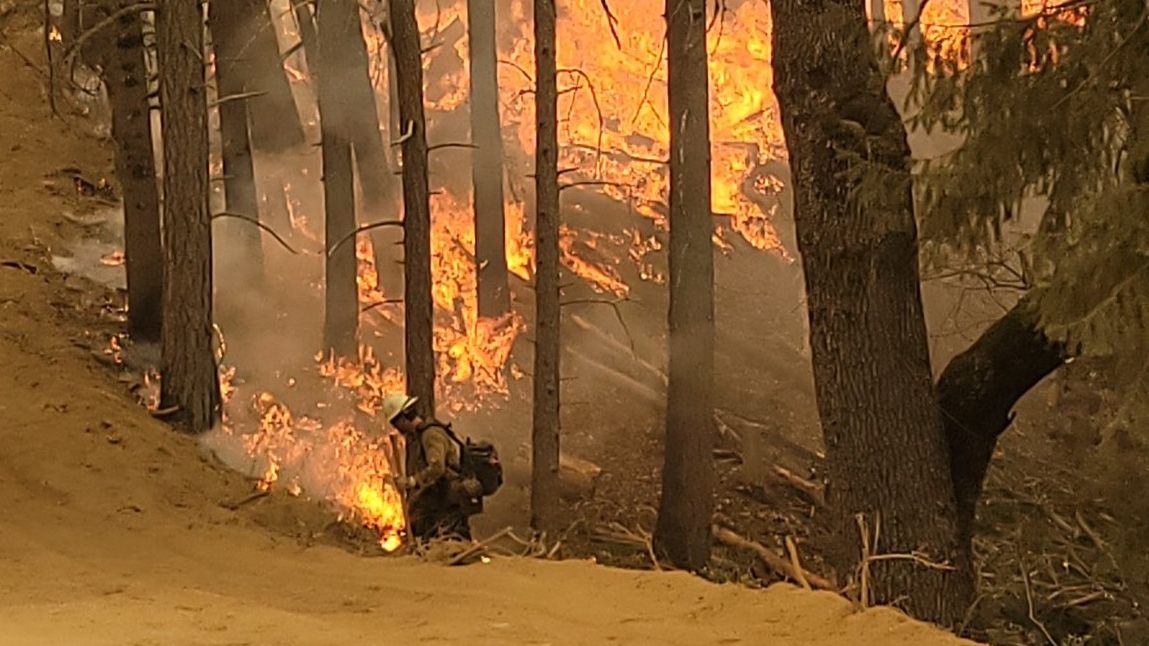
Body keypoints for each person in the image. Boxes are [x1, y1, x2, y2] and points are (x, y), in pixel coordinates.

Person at [381, 393, 478, 543]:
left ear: (403, 418)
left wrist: (411, 482)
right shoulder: (424, 433)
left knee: (453, 536)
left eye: (396, 423)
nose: (397, 428)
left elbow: (437, 467)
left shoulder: (430, 434)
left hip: (450, 492)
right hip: (444, 492)